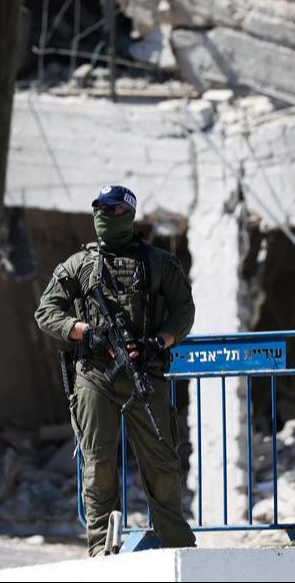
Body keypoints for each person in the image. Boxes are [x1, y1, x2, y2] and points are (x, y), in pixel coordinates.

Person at [34, 184, 197, 556]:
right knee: (98, 463)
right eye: (100, 210)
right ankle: (100, 549)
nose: (105, 217)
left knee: (160, 461)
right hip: (95, 374)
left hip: (145, 373)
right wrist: (84, 332)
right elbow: (47, 311)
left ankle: (178, 546)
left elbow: (183, 310)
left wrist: (160, 342)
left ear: (130, 215)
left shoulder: (157, 264)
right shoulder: (80, 266)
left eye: (114, 211)